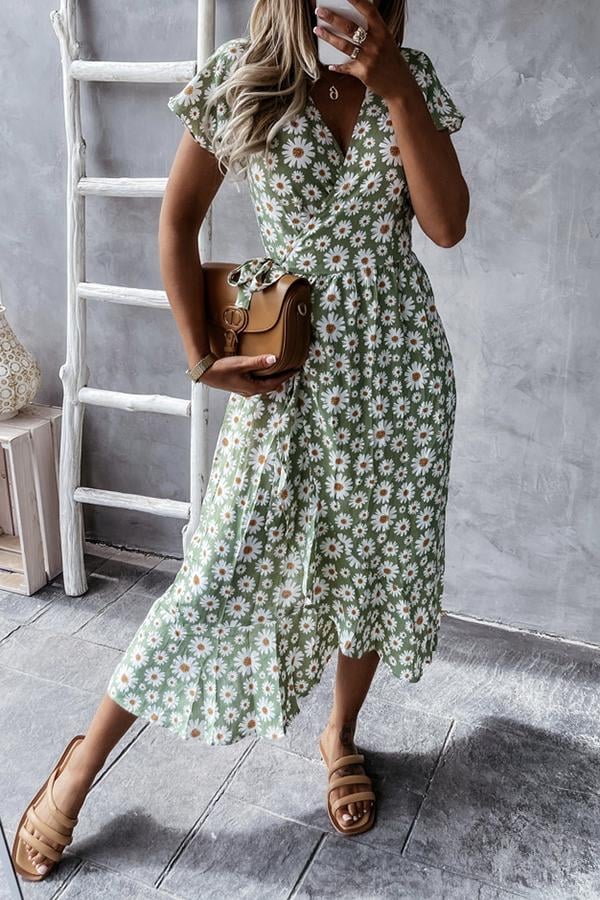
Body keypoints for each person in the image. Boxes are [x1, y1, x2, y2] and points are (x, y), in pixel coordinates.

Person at [12, 0, 468, 881]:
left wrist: (397, 90)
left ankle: (340, 735)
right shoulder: (243, 76)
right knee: (217, 573)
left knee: (372, 566)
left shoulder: (411, 82)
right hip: (287, 371)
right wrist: (200, 357)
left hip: (399, 379)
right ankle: (81, 764)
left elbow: (446, 227)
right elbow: (177, 219)